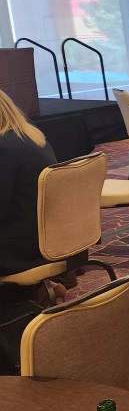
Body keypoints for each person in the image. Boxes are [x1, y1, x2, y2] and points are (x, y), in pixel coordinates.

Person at [0, 89, 60, 304]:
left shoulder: (3, 148)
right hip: (50, 238)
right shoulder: (32, 136)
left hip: (22, 250)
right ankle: (37, 290)